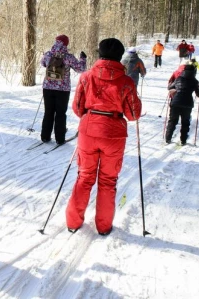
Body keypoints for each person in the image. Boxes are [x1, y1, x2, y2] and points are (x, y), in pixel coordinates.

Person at [66, 38, 142, 236]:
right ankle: (103, 225)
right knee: (108, 181)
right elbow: (133, 114)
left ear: (99, 54)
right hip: (113, 135)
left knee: (84, 177)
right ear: (120, 57)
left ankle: (73, 221)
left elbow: (77, 108)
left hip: (89, 131)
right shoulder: (126, 81)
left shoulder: (86, 77)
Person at [39, 35, 87, 144]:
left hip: (48, 88)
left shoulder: (48, 54)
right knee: (61, 113)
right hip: (63, 89)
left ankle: (45, 136)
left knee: (48, 112)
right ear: (66, 44)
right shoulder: (68, 57)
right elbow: (81, 69)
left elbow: (43, 63)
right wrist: (83, 59)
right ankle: (60, 139)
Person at [165, 62, 199, 145]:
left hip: (176, 102)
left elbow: (170, 87)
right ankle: (183, 140)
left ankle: (168, 138)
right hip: (187, 103)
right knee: (185, 122)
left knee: (172, 120)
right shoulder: (195, 81)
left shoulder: (178, 78)